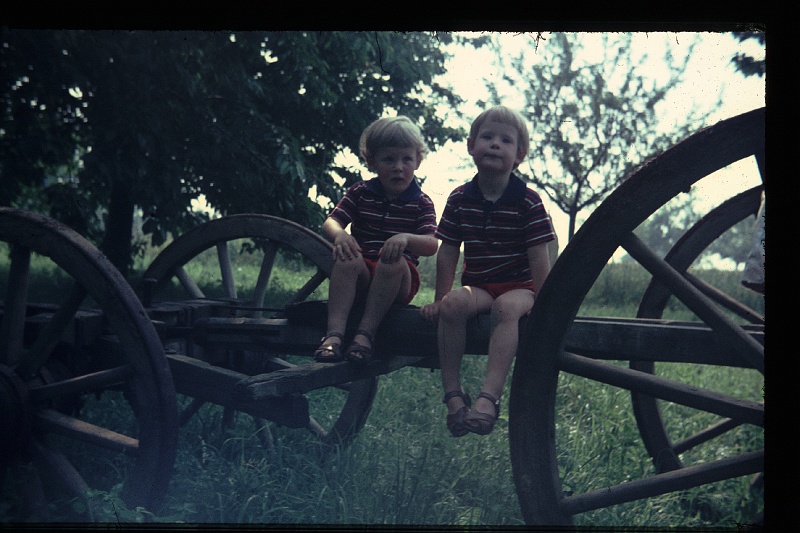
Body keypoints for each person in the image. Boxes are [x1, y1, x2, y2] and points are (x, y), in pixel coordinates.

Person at [421, 105, 556, 437]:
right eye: (487, 137)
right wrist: (440, 298)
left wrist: (545, 304)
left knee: (506, 308)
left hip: (521, 287)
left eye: (506, 140)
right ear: (471, 146)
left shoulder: (528, 201)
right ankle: (453, 396)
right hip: (480, 284)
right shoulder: (459, 198)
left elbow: (539, 257)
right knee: (453, 304)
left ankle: (489, 397)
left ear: (519, 155)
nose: (495, 144)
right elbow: (448, 251)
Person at [314, 116, 438, 365]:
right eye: (388, 159)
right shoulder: (360, 192)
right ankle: (334, 335)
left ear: (418, 161)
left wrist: (405, 239)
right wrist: (340, 235)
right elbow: (331, 221)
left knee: (391, 262)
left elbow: (431, 244)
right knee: (347, 258)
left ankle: (365, 335)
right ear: (372, 162)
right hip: (362, 274)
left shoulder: (421, 203)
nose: (398, 167)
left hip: (398, 280)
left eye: (406, 159)